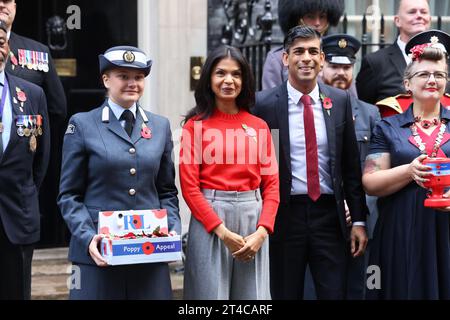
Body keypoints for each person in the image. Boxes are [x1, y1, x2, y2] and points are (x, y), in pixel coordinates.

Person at [253, 26, 368, 300]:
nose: (306, 58)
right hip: (284, 215)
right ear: (285, 59)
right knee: (284, 292)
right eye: (299, 52)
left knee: (333, 292)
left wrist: (360, 220)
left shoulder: (339, 101)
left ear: (322, 59)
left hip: (329, 216)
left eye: (313, 51)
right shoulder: (264, 104)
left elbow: (351, 168)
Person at [57, 46, 181, 300]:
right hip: (98, 254)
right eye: (123, 76)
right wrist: (87, 237)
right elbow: (69, 195)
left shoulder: (159, 126)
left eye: (138, 77)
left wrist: (171, 229)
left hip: (149, 256)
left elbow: (167, 190)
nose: (132, 83)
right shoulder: (82, 124)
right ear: (105, 79)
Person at [180, 45, 279, 300]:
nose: (228, 80)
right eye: (220, 73)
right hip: (211, 221)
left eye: (236, 74)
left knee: (253, 299)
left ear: (244, 80)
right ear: (209, 79)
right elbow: (190, 188)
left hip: (253, 220)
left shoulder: (260, 127)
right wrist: (221, 231)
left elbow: (272, 185)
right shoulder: (194, 127)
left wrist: (262, 231)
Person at [363, 30, 450, 299]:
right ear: (407, 84)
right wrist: (409, 170)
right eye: (423, 74)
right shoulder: (386, 127)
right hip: (399, 231)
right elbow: (370, 183)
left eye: (439, 75)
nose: (432, 80)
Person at [1, 0, 68, 245]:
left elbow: (57, 108)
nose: (2, 5)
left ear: (16, 6)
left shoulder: (36, 52)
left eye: (7, 0)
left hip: (21, 176)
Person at [321, 33, 381, 299]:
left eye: (346, 67)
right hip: (321, 217)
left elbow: (377, 167)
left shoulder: (371, 113)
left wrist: (358, 209)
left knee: (363, 287)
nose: (340, 73)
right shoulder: (308, 110)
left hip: (361, 218)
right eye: (334, 66)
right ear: (322, 65)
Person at [0, 19, 50, 299]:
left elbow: (42, 159)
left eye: (2, 42)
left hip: (17, 219)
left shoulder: (31, 94)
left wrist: (24, 192)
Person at [356, 0, 432, 105]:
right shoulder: (375, 62)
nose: (419, 16)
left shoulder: (444, 61)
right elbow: (364, 110)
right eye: (412, 12)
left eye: (423, 12)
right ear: (397, 21)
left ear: (430, 19)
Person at [262, 0, 344, 90]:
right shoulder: (276, 59)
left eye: (322, 16)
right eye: (310, 16)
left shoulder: (337, 55)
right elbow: (271, 98)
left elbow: (351, 100)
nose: (317, 23)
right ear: (297, 18)